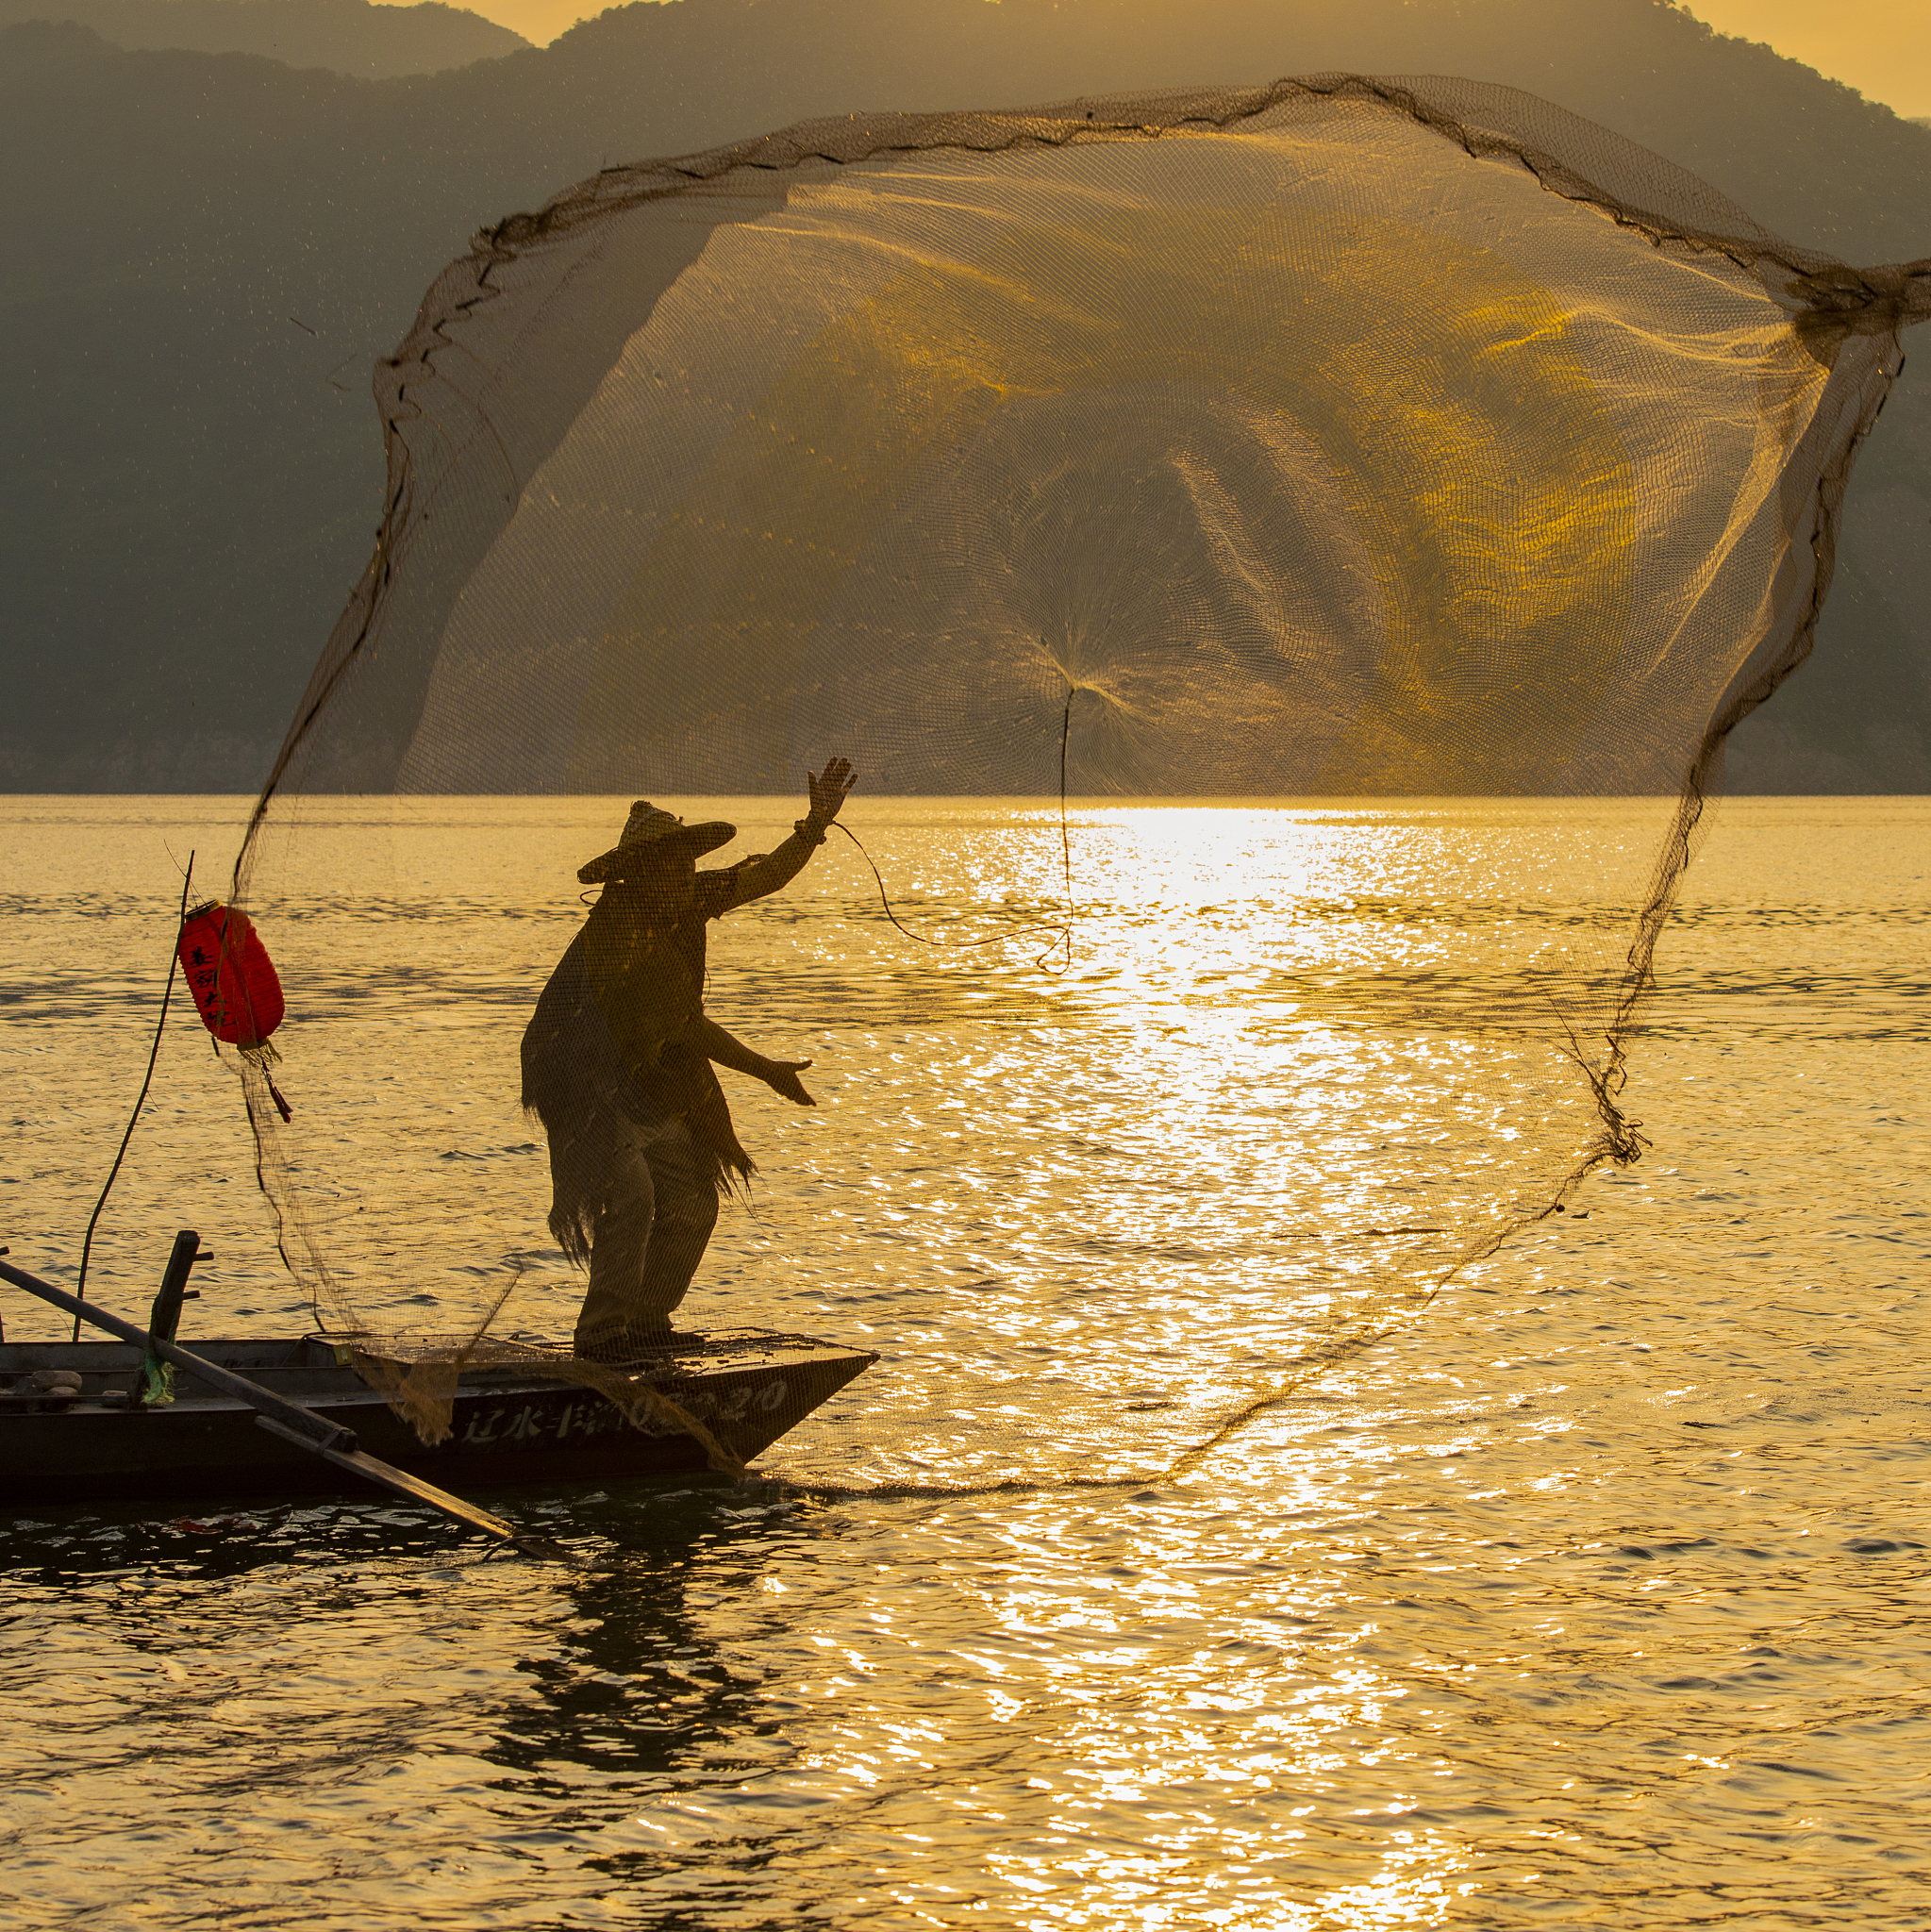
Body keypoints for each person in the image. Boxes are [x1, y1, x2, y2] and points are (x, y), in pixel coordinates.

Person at [522, 760, 857, 1360]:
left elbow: (766, 875)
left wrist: (815, 824)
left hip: (642, 1079)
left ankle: (647, 1320)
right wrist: (768, 1071)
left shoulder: (688, 897)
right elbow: (687, 1026)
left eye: (687, 860)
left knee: (694, 1199)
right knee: (631, 1194)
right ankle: (601, 1333)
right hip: (578, 1082)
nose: (687, 871)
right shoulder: (617, 930)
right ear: (641, 873)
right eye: (673, 863)